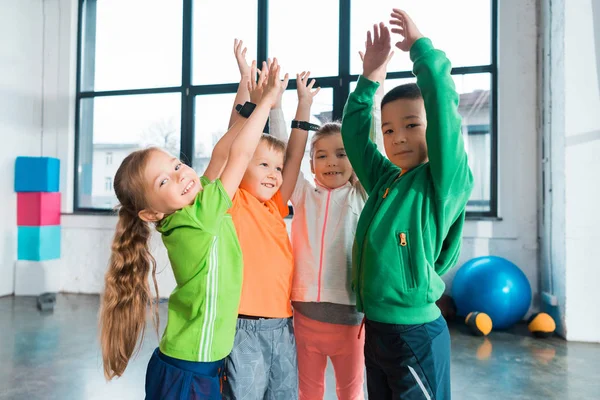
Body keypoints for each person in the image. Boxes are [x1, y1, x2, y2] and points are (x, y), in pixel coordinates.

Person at [99, 57, 284, 399]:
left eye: (177, 164)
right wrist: (268, 102)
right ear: (151, 213)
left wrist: (247, 91)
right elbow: (239, 156)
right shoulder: (200, 217)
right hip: (190, 371)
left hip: (188, 363)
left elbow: (221, 153)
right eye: (164, 180)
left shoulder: (192, 211)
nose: (182, 175)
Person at [341, 10, 474, 399]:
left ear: (432, 128)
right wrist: (369, 79)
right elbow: (353, 135)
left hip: (415, 334)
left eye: (412, 125)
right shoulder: (385, 179)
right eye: (388, 129)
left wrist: (421, 50)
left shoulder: (443, 182)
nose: (397, 137)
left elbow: (442, 103)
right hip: (377, 328)